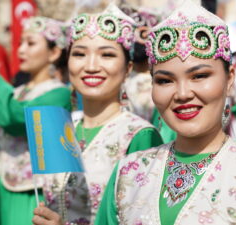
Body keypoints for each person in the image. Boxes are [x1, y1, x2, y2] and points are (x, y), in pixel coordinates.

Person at [95, 1, 236, 224]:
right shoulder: (127, 174)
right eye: (165, 80)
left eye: (199, 76)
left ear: (229, 79)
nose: (182, 94)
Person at [32, 4, 163, 225]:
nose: (91, 66)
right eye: (80, 54)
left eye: (107, 55)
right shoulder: (58, 126)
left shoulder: (138, 135)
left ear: (128, 68)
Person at [0, 16, 72, 225]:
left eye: (30, 43)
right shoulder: (17, 92)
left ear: (54, 52)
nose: (21, 50)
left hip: (30, 193)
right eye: (21, 42)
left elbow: (12, 118)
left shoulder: (59, 94)